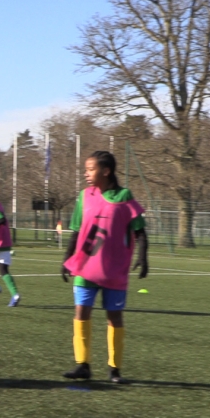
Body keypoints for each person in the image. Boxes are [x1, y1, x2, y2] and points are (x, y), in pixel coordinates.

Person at [60, 151, 148, 384]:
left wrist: (143, 256)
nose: (86, 173)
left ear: (106, 171)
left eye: (90, 169)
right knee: (81, 312)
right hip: (85, 267)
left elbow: (139, 230)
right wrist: (67, 258)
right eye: (86, 169)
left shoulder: (123, 196)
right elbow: (77, 230)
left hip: (114, 269)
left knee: (114, 316)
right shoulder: (84, 196)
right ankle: (82, 365)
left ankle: (115, 370)